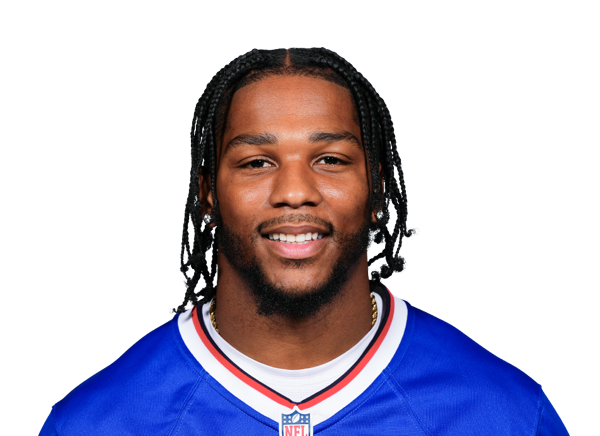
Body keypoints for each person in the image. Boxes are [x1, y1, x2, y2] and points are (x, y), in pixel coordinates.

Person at [39, 47, 568, 435]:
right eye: (257, 162)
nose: (295, 192)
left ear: (378, 189)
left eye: (330, 160)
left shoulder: (508, 415)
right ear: (207, 196)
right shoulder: (96, 423)